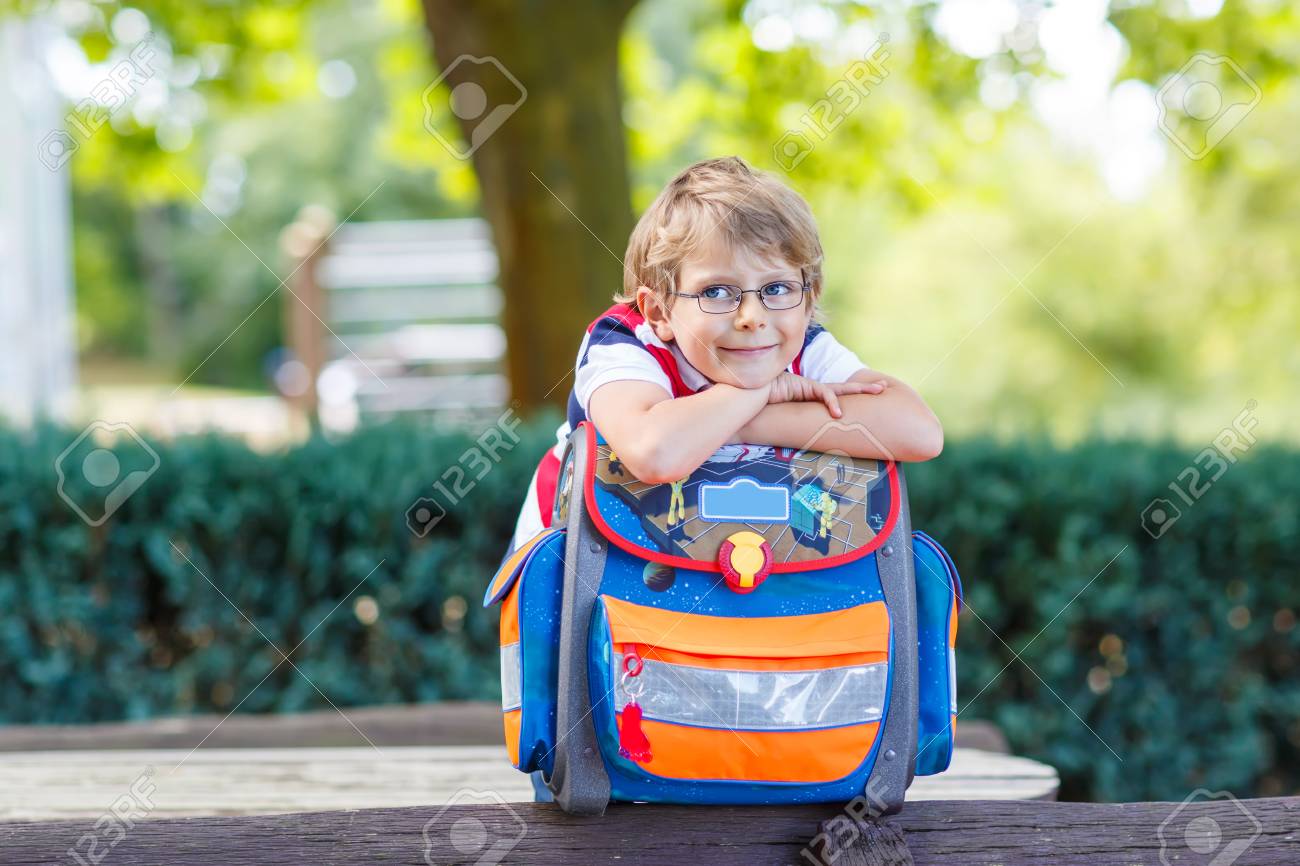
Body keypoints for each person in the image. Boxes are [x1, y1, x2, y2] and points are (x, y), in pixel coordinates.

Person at [504, 156, 944, 801]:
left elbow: (916, 431)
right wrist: (763, 391)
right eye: (716, 293)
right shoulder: (622, 344)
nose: (752, 316)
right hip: (606, 585)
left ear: (807, 296)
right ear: (658, 309)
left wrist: (744, 412)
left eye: (778, 288)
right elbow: (655, 450)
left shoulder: (800, 342)